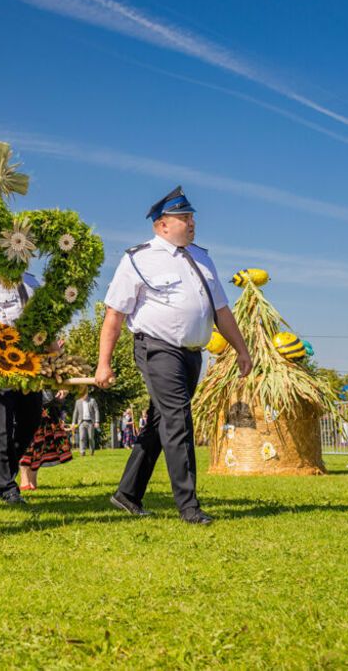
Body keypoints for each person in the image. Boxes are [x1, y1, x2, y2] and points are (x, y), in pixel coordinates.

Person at [95, 186, 252, 524]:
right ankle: (189, 506)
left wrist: (241, 348)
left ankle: (127, 494)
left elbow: (221, 309)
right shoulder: (138, 258)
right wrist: (103, 363)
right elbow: (114, 314)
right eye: (184, 218)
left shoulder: (202, 257)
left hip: (191, 353)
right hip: (157, 347)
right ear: (161, 225)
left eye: (192, 217)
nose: (191, 222)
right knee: (178, 419)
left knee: (160, 422)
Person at [0, 269, 43, 504]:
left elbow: (42, 319)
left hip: (28, 359)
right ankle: (7, 487)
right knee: (1, 426)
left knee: (32, 418)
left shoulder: (31, 280)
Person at [18, 390, 73, 490]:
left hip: (47, 405)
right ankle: (24, 477)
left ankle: (32, 477)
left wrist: (63, 388)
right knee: (27, 441)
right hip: (26, 400)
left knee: (41, 443)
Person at [72, 390, 99, 455]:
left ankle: (92, 451)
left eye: (86, 394)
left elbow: (96, 411)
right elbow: (75, 413)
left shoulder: (92, 401)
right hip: (81, 422)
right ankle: (82, 452)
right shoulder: (78, 402)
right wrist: (73, 423)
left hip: (90, 422)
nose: (85, 395)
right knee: (82, 437)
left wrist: (97, 421)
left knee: (90, 438)